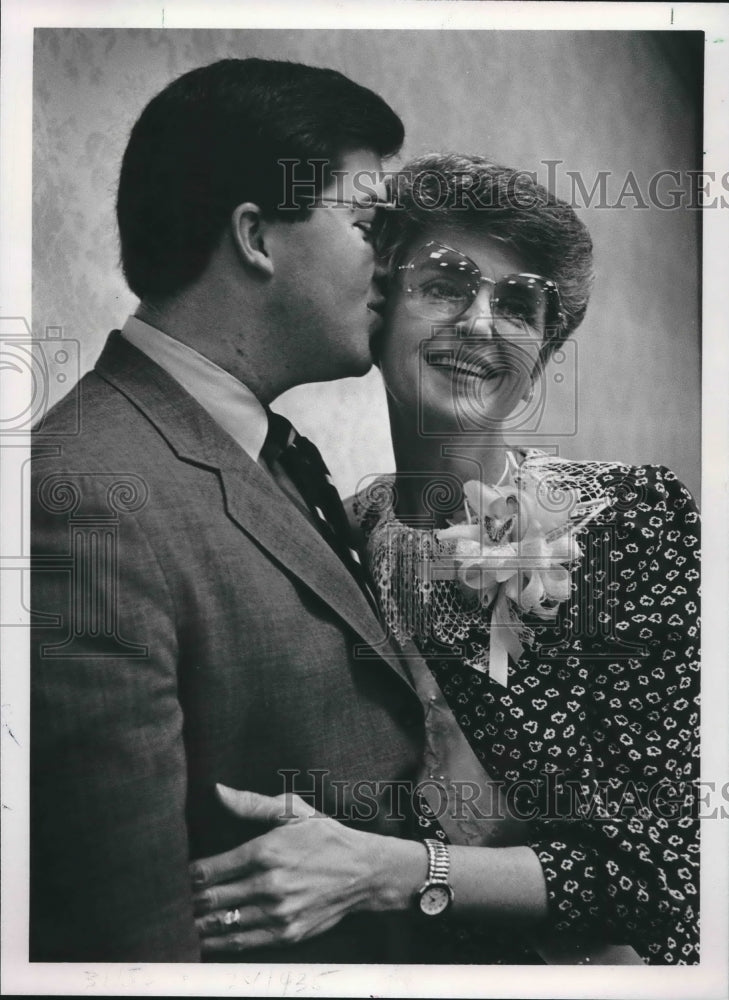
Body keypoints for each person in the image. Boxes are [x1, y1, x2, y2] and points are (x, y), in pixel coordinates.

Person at [189, 154, 700, 965]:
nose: (480, 323)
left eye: (520, 304)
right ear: (380, 305)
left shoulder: (625, 518)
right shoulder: (339, 525)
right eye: (446, 284)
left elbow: (660, 874)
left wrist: (385, 873)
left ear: (544, 346)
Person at [30, 58, 455, 964]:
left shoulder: (276, 451)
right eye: (369, 226)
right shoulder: (85, 494)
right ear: (257, 236)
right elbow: (126, 942)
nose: (394, 266)